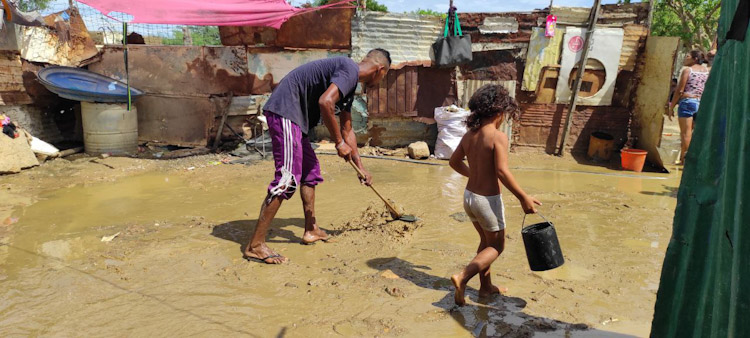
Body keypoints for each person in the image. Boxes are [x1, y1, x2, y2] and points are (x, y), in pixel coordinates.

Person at [244, 49, 391, 264]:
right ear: (379, 70)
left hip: (297, 122)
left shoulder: (349, 87)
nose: (379, 83)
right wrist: (338, 142)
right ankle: (255, 246)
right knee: (287, 180)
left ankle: (311, 230)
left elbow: (347, 129)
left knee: (310, 172)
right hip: (285, 112)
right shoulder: (349, 69)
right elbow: (325, 102)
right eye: (384, 78)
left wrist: (361, 167)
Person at [448, 84, 542, 306]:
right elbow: (502, 171)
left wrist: (474, 174)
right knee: (497, 246)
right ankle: (463, 277)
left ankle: (486, 287)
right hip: (486, 202)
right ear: (500, 112)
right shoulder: (498, 136)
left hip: (469, 197)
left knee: (485, 242)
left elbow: (453, 162)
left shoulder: (470, 135)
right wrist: (524, 198)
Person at [668, 50, 708, 165]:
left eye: (688, 56)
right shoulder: (706, 71)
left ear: (695, 59)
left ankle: (688, 162)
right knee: (695, 134)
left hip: (687, 102)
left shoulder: (687, 71)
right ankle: (682, 160)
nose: (685, 59)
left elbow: (679, 90)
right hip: (700, 103)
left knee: (686, 134)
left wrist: (671, 107)